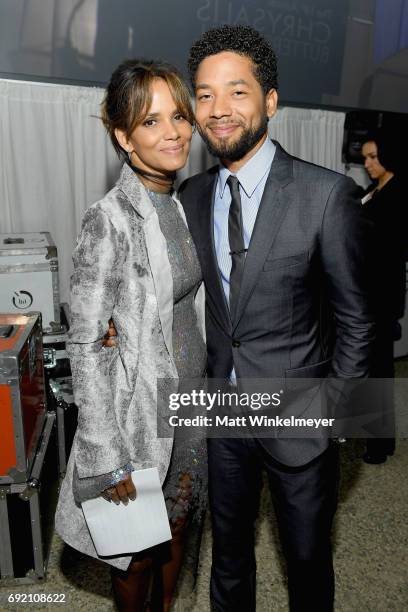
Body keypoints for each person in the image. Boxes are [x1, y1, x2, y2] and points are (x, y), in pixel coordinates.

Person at [178, 25, 374, 612]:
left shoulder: (326, 195)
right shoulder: (190, 195)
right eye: (205, 95)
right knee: (228, 558)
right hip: (222, 418)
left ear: (270, 101)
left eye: (236, 92)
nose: (218, 110)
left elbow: (358, 321)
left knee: (308, 563)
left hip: (300, 416)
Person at [55, 59, 207, 612]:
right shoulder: (109, 217)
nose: (173, 132)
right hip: (137, 417)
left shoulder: (183, 204)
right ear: (123, 135)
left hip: (191, 406)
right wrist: (105, 455)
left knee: (175, 533)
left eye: (179, 117)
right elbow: (87, 342)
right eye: (151, 122)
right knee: (135, 553)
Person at [360, 132, 407, 463]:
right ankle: (375, 437)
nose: (367, 163)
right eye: (364, 158)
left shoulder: (399, 194)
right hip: (364, 298)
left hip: (381, 299)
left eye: (373, 157)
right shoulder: (371, 191)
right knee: (368, 372)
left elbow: (392, 247)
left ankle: (380, 445)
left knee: (377, 373)